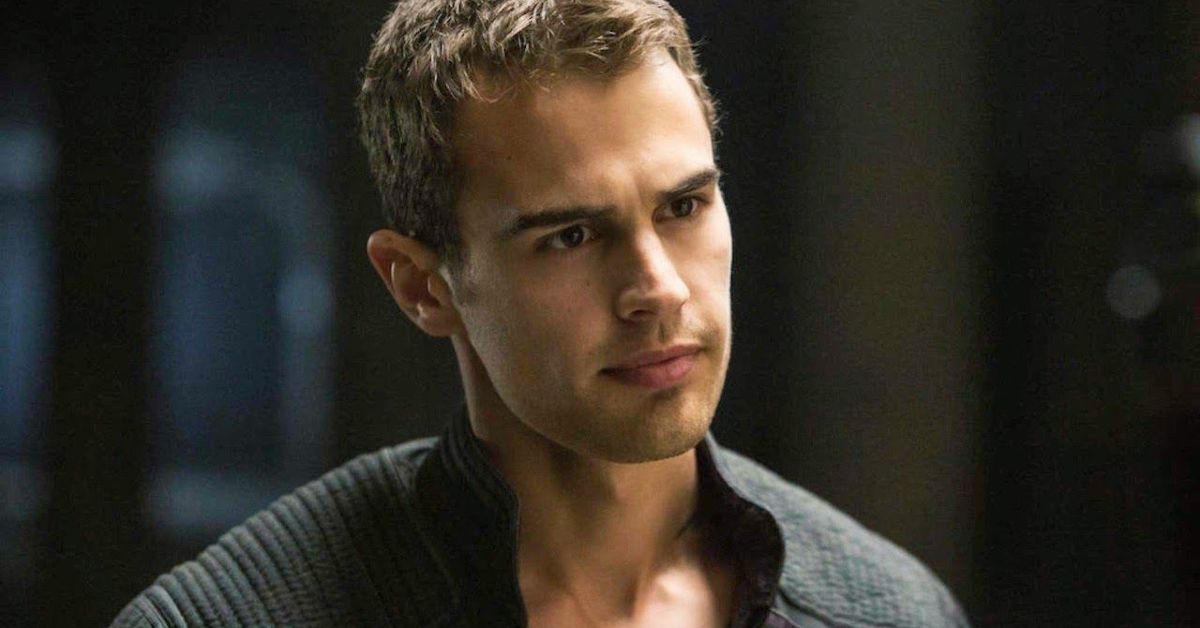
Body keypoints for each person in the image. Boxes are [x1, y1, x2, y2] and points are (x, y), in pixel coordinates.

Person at [112, 1, 969, 626]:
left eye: (683, 206)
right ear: (422, 287)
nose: (660, 289)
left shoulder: (893, 611)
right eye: (570, 236)